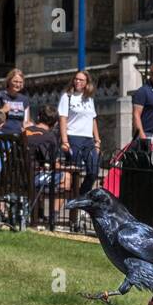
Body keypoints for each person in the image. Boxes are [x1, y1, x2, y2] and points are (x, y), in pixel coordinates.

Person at [58, 70, 100, 230]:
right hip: (73, 136)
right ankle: (73, 214)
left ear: (87, 82)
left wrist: (97, 140)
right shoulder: (67, 97)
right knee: (74, 172)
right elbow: (63, 118)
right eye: (76, 79)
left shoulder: (89, 99)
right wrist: (64, 140)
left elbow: (93, 119)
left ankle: (80, 198)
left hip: (88, 139)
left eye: (81, 80)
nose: (78, 82)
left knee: (93, 171)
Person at [0, 68, 31, 135]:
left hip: (19, 135)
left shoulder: (24, 99)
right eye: (15, 81)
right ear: (9, 81)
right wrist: (2, 110)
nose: (18, 85)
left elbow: (26, 121)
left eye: (20, 82)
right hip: (2, 134)